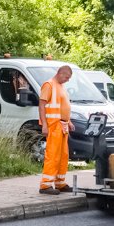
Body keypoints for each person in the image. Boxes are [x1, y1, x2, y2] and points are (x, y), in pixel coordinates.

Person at [38, 65, 73, 194]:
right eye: (67, 77)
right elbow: (41, 106)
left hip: (62, 126)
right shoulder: (49, 85)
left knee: (63, 155)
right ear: (60, 73)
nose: (67, 80)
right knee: (52, 155)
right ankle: (45, 185)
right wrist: (45, 125)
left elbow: (63, 106)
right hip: (53, 125)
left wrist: (69, 121)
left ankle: (60, 183)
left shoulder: (61, 87)